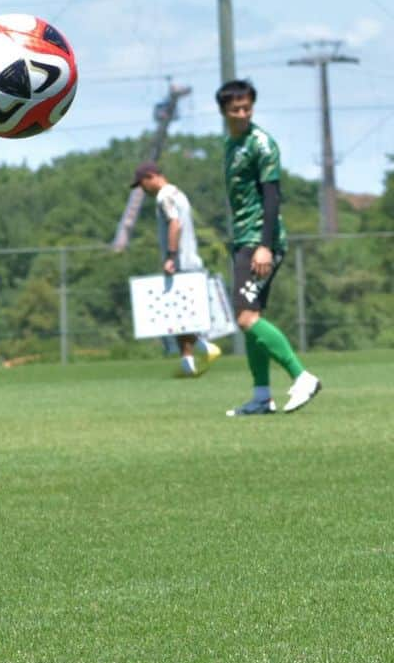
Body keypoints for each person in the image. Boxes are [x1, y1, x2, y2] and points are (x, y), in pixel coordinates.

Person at [217, 79, 322, 416]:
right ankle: (262, 396)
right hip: (243, 239)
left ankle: (301, 376)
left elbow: (273, 197)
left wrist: (264, 246)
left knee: (245, 317)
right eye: (236, 109)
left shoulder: (262, 144)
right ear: (224, 111)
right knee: (252, 317)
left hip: (260, 241)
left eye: (247, 107)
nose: (243, 113)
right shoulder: (231, 144)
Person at [131, 161, 222, 377]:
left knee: (175, 316)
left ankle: (204, 348)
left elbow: (175, 224)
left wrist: (171, 256)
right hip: (190, 261)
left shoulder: (164, 196)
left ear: (151, 176)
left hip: (181, 262)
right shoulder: (178, 193)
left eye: (142, 184)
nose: (143, 190)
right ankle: (187, 363)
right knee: (180, 316)